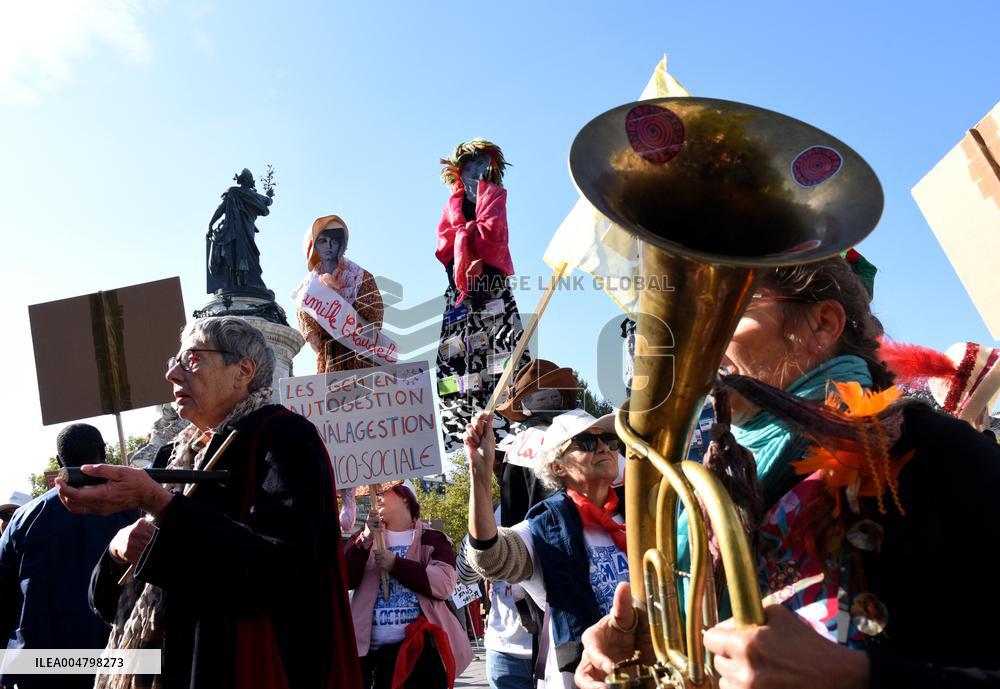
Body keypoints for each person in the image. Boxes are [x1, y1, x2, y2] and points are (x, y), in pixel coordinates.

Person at [575, 257, 1000, 689]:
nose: (697, 346)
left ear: (822, 325)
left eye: (730, 316)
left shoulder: (932, 448)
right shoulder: (715, 480)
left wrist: (853, 677)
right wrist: (638, 651)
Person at [56, 316, 361, 689]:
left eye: (193, 359)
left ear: (243, 370)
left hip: (240, 669)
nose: (173, 374)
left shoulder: (283, 435)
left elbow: (282, 571)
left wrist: (162, 504)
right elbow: (108, 604)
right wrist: (117, 553)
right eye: (174, 362)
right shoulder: (171, 456)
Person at [465, 408, 630, 689]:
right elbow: (489, 556)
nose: (604, 447)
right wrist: (479, 474)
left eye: (610, 440)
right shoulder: (546, 527)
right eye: (587, 443)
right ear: (557, 466)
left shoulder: (638, 514)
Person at [0, 425, 136, 689]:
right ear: (103, 453)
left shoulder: (24, 518)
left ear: (59, 461)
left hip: (41, 663)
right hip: (117, 657)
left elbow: (3, 595)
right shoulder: (135, 510)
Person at [434, 139, 530, 452]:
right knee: (458, 365)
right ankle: (463, 426)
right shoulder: (452, 206)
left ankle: (511, 424)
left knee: (502, 358)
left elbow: (495, 237)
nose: (476, 171)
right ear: (458, 171)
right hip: (461, 296)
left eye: (481, 164)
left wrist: (469, 233)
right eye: (469, 165)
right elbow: (444, 247)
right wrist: (463, 235)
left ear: (491, 168)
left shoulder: (495, 198)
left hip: (493, 292)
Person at [345, 483, 472, 689]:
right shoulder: (363, 537)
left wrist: (395, 564)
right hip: (371, 658)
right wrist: (365, 538)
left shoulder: (433, 539)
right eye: (374, 491)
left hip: (421, 656)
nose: (376, 495)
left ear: (405, 497)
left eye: (383, 491)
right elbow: (346, 578)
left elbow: (444, 584)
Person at [296, 214, 384, 374]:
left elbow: (375, 319)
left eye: (335, 240)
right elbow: (309, 329)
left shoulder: (362, 277)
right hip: (331, 360)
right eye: (323, 240)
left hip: (363, 360)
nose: (329, 246)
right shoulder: (307, 288)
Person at [206, 168, 274, 296]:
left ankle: (241, 282)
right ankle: (239, 283)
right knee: (241, 255)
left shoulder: (235, 192)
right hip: (240, 232)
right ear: (250, 182)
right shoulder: (246, 194)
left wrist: (210, 224)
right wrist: (269, 195)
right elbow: (267, 201)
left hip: (238, 232)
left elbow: (221, 208)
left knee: (239, 255)